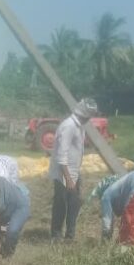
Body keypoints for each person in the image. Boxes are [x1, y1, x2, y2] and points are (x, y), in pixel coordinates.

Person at [49, 98, 97, 241]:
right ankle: (56, 235)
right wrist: (68, 179)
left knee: (74, 204)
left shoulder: (79, 126)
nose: (90, 119)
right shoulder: (69, 126)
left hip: (73, 171)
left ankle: (70, 236)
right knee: (61, 204)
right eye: (89, 116)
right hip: (64, 173)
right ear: (84, 114)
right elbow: (61, 155)